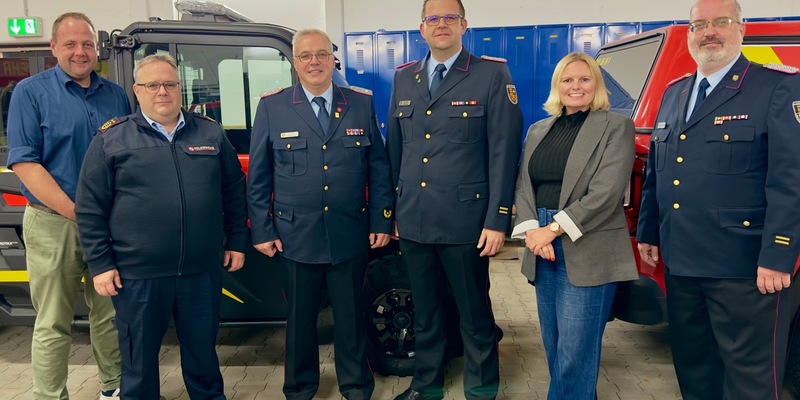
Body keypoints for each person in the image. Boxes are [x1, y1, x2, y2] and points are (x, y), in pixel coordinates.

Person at [636, 0, 800, 398]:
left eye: (721, 22)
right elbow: (659, 169)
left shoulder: (777, 86)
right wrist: (648, 232)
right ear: (690, 33)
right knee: (695, 368)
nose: (709, 31)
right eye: (699, 24)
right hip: (681, 262)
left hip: (745, 267)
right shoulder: (675, 93)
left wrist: (779, 254)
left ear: (741, 29)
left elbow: (790, 178)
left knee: (750, 377)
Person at [75, 54, 248, 400]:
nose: (162, 92)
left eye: (169, 84)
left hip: (200, 272)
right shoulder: (112, 140)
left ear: (179, 88)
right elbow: (90, 208)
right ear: (137, 90)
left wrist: (238, 240)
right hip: (137, 276)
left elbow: (233, 192)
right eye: (152, 85)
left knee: (203, 356)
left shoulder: (210, 133)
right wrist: (101, 264)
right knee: (138, 364)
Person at [385, 0, 523, 398]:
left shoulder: (491, 74)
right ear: (421, 28)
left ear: (464, 25)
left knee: (473, 312)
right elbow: (396, 149)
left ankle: (481, 388)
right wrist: (392, 212)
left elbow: (503, 152)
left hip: (467, 223)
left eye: (450, 18)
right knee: (425, 312)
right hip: (414, 219)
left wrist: (498, 219)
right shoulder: (404, 78)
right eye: (433, 18)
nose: (441, 24)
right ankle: (426, 386)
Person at [247, 28, 394, 400]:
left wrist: (381, 220)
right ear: (294, 62)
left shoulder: (360, 102)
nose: (314, 61)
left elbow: (378, 167)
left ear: (333, 60)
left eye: (322, 54)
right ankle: (299, 387)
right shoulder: (273, 106)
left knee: (350, 317)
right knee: (299, 321)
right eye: (305, 55)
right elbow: (259, 177)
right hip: (295, 236)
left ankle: (356, 385)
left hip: (349, 233)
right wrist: (262, 230)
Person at [5, 12, 129, 400]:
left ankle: (113, 387)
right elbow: (26, 163)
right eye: (71, 44)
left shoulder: (116, 94)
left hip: (108, 223)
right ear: (54, 47)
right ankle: (50, 395)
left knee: (109, 313)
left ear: (97, 49)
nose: (81, 52)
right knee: (54, 320)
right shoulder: (30, 92)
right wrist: (79, 212)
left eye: (88, 44)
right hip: (53, 222)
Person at [510, 52, 637, 399]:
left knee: (575, 353)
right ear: (557, 87)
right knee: (554, 346)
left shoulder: (616, 126)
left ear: (596, 84)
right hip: (542, 245)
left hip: (587, 244)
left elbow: (606, 192)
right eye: (567, 80)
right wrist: (534, 232)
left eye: (584, 79)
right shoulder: (539, 130)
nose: (575, 86)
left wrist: (552, 229)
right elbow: (523, 184)